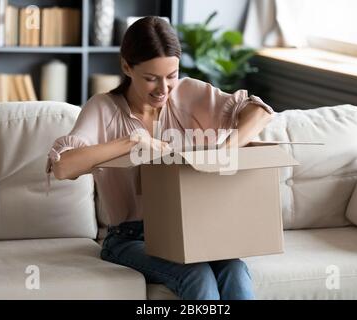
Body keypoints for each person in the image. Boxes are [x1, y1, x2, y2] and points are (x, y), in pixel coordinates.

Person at [46, 16, 274, 300]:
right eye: (151, 78)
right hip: (129, 238)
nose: (164, 89)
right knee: (196, 272)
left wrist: (228, 148)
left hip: (191, 229)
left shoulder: (188, 93)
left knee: (234, 270)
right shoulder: (103, 108)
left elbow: (260, 112)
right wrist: (132, 141)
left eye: (171, 75)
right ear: (127, 66)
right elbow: (63, 166)